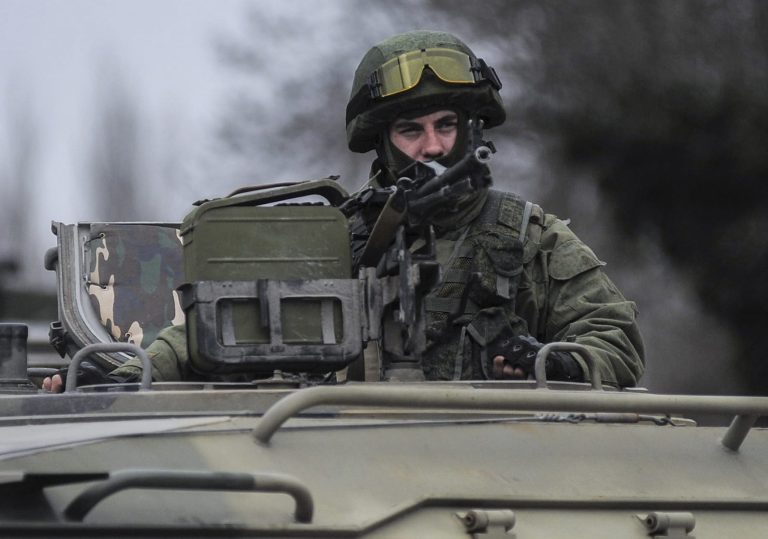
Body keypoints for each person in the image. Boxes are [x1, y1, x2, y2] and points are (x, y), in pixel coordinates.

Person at [44, 30, 643, 391]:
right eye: (411, 130)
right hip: (347, 464)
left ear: (472, 129)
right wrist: (123, 375)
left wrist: (552, 363)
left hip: (493, 467)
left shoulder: (528, 238)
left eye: (446, 125)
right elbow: (208, 332)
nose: (433, 147)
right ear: (382, 142)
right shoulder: (336, 238)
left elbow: (615, 341)